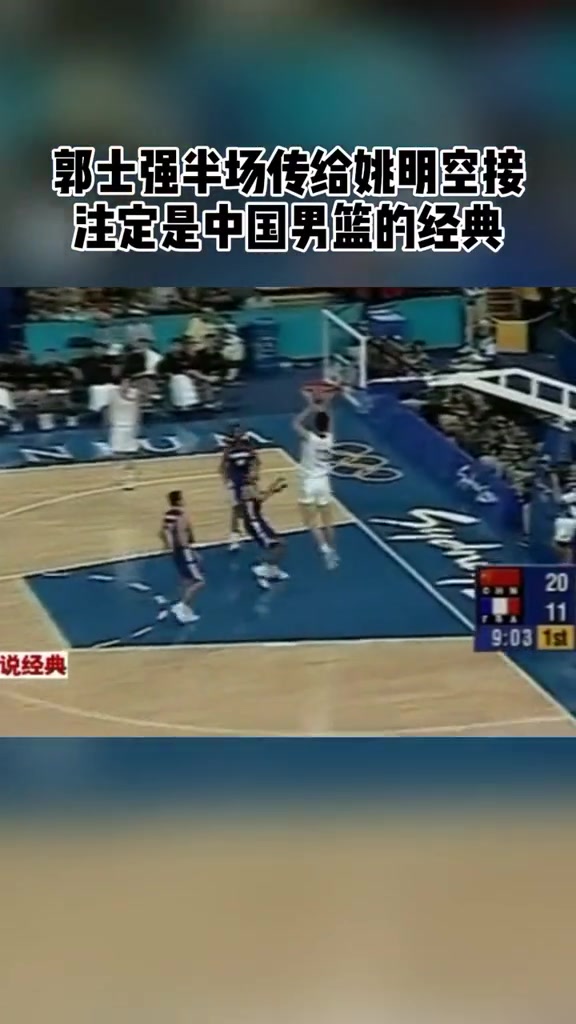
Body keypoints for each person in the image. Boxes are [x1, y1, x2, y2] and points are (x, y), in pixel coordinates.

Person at [293, 388, 338, 568]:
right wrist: (328, 402)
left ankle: (325, 550)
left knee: (311, 522)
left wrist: (310, 406)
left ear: (314, 424)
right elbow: (329, 419)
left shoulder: (311, 439)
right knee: (328, 522)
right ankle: (332, 551)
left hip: (308, 482)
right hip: (324, 482)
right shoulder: (330, 439)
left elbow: (296, 423)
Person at [160, 489, 204, 623]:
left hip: (178, 552)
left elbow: (164, 532)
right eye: (182, 498)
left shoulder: (170, 515)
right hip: (184, 551)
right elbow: (180, 535)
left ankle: (186, 610)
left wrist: (169, 546)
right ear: (179, 501)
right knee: (199, 581)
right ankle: (182, 606)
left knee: (186, 581)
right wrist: (191, 551)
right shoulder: (180, 515)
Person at [240, 475, 289, 589]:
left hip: (258, 520)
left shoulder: (252, 486)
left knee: (280, 545)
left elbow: (262, 495)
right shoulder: (247, 487)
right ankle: (262, 574)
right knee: (277, 546)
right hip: (254, 523)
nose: (257, 472)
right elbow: (261, 497)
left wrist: (275, 486)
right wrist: (275, 487)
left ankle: (272, 569)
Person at [220, 422, 260, 551]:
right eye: (236, 432)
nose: (238, 434)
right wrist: (227, 481)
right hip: (235, 482)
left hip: (247, 481)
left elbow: (256, 461)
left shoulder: (249, 448)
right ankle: (234, 536)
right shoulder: (229, 450)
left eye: (239, 432)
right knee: (237, 508)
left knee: (252, 506)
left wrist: (254, 473)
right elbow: (223, 467)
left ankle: (255, 530)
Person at [105, 374, 140, 489]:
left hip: (130, 426)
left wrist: (137, 424)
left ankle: (130, 478)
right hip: (117, 426)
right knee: (117, 454)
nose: (126, 385)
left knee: (130, 454)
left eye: (128, 382)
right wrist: (108, 423)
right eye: (124, 382)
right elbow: (108, 409)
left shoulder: (135, 393)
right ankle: (118, 477)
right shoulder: (112, 393)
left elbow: (137, 409)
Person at [552, 469, 576, 563]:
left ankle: (566, 567)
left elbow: (558, 500)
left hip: (569, 520)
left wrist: (555, 482)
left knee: (561, 546)